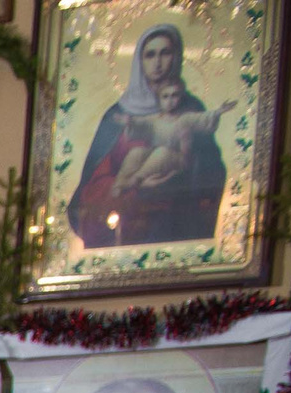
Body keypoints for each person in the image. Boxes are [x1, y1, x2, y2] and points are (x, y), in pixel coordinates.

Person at [69, 25, 228, 248]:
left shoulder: (191, 108)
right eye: (150, 54)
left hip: (173, 221)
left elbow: (211, 171)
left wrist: (173, 179)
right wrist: (134, 190)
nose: (158, 62)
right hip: (125, 222)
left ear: (176, 57)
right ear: (139, 61)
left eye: (165, 53)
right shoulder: (117, 115)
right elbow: (92, 182)